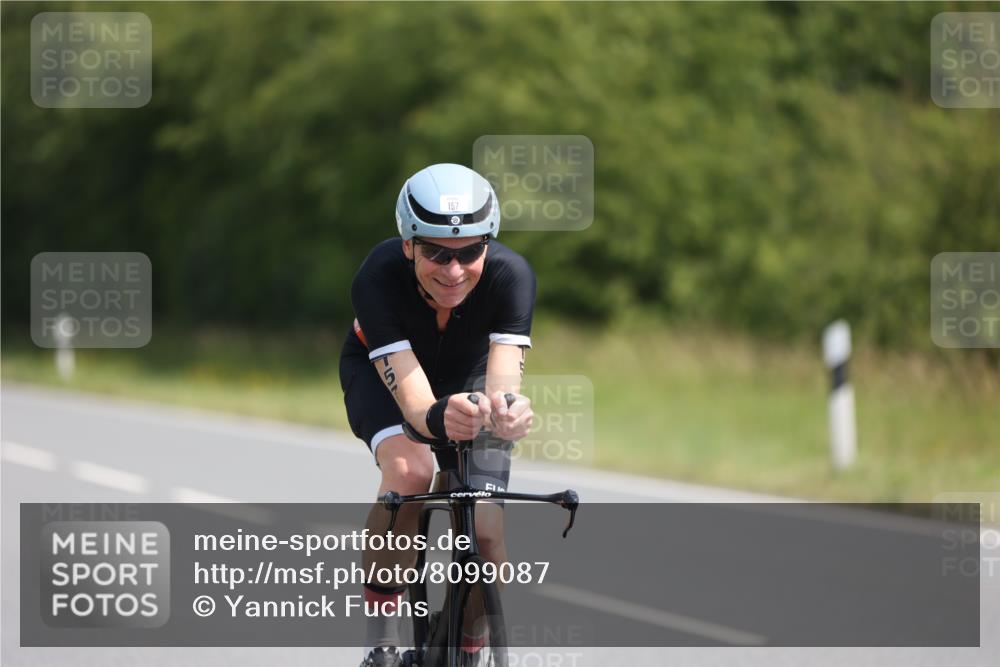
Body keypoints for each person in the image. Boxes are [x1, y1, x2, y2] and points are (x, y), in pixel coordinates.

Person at [339, 163, 536, 667]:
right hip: (392, 378)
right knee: (411, 471)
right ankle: (379, 639)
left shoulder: (512, 276)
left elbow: (502, 387)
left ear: (487, 244)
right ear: (409, 245)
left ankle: (466, 647)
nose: (454, 271)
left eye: (470, 252)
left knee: (487, 533)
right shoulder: (377, 277)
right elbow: (418, 407)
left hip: (466, 377)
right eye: (436, 253)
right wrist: (440, 415)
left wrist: (507, 415)